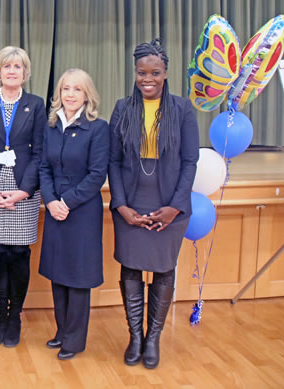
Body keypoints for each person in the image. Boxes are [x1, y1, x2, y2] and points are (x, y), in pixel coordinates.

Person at [108, 38, 199, 369]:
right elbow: (113, 162)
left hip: (169, 203)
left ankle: (152, 340)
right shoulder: (122, 108)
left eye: (155, 72)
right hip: (131, 201)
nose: (147, 79)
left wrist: (175, 206)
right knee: (131, 268)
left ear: (165, 72)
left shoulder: (182, 109)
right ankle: (135, 337)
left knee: (163, 270)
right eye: (141, 73)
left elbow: (190, 161)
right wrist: (120, 205)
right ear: (135, 72)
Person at [0, 46, 46, 347]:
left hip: (22, 188)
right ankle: (0, 317)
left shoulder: (36, 104)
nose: (12, 71)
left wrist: (24, 191)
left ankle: (15, 318)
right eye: (7, 66)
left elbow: (40, 152)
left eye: (18, 66)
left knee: (18, 254)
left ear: (25, 72)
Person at [39, 69, 109, 360]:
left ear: (87, 95)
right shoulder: (52, 125)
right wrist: (51, 201)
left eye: (76, 89)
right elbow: (44, 167)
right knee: (59, 272)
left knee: (78, 276)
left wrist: (65, 202)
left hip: (81, 211)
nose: (69, 94)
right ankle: (62, 331)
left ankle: (75, 340)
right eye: (65, 88)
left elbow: (96, 175)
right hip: (55, 209)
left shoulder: (98, 128)